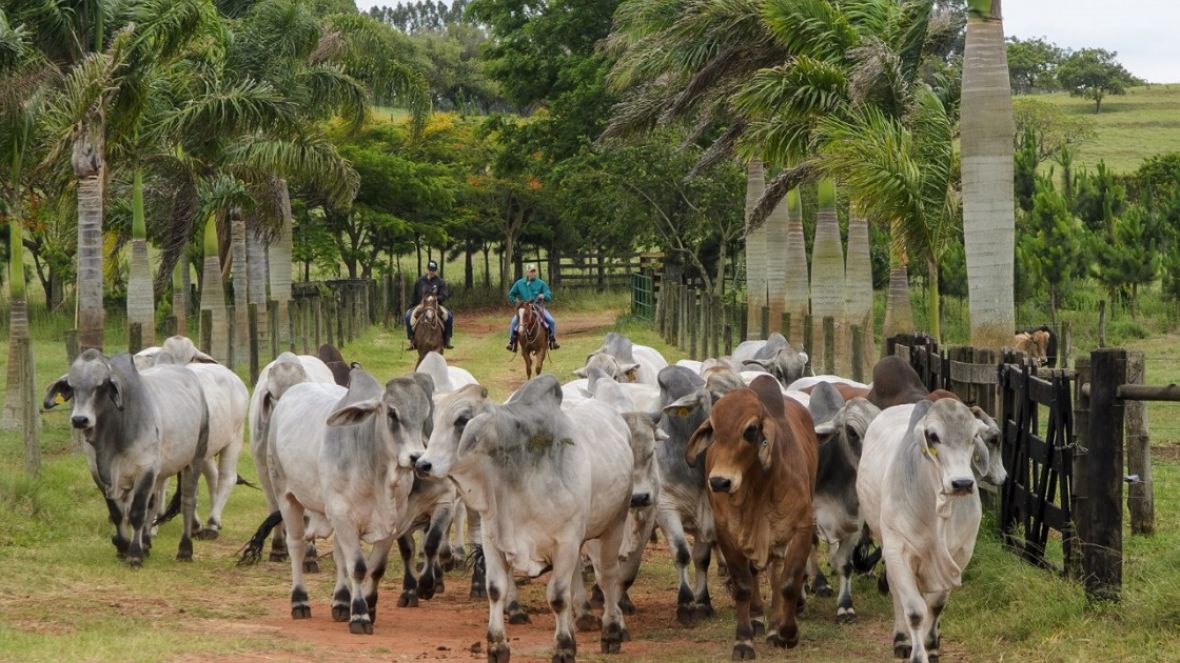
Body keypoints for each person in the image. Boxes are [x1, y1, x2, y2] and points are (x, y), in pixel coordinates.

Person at [506, 264, 558, 351]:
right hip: (524, 307)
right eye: (531, 271)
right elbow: (511, 295)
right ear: (527, 272)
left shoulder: (541, 283)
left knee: (551, 321)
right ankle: (511, 342)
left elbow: (549, 294)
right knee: (514, 321)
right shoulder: (519, 283)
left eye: (534, 271)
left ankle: (552, 341)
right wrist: (517, 302)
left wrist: (544, 295)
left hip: (538, 307)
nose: (533, 273)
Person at [405, 260, 453, 349]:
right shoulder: (420, 281)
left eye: (433, 270)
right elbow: (414, 295)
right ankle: (411, 340)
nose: (431, 272)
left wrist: (436, 298)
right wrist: (411, 305)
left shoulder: (440, 282)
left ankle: (447, 339)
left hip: (435, 305)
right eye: (430, 270)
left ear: (436, 271)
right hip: (422, 305)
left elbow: (444, 294)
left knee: (449, 316)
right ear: (426, 269)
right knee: (408, 315)